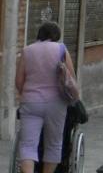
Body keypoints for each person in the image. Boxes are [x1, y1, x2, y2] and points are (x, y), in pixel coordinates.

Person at [15, 21, 77, 173]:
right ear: (56, 35)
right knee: (54, 144)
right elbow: (71, 78)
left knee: (27, 145)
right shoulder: (61, 49)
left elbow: (19, 81)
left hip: (31, 102)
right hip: (56, 104)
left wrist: (27, 94)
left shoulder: (27, 50)